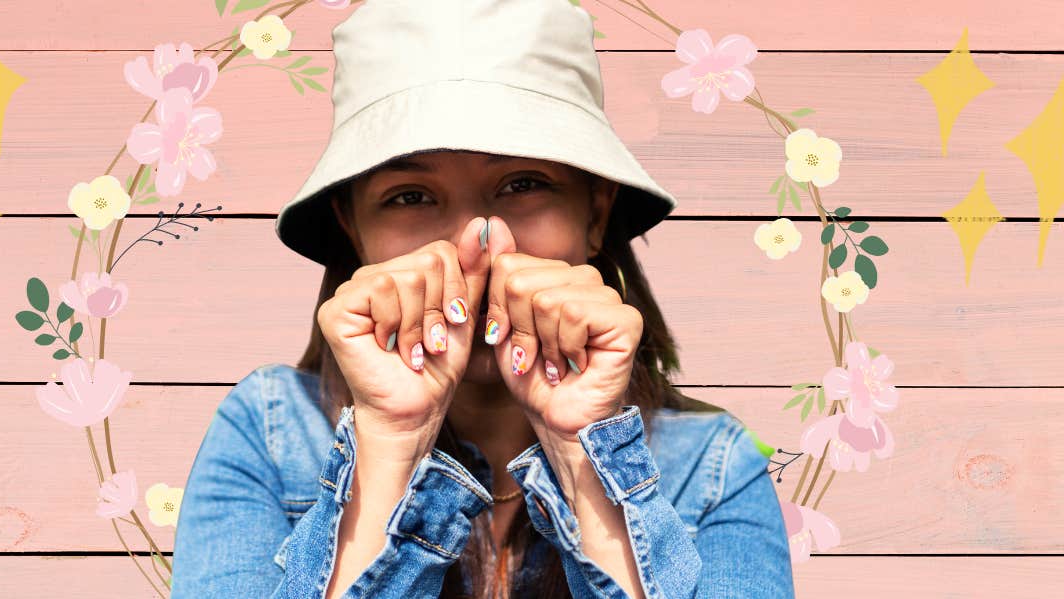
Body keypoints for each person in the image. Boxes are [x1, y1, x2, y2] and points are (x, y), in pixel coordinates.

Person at [171, 1, 795, 597]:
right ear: (352, 226)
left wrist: (586, 451)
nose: (478, 243)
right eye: (410, 196)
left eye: (523, 184)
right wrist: (390, 440)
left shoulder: (714, 468)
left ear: (596, 210)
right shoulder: (268, 431)